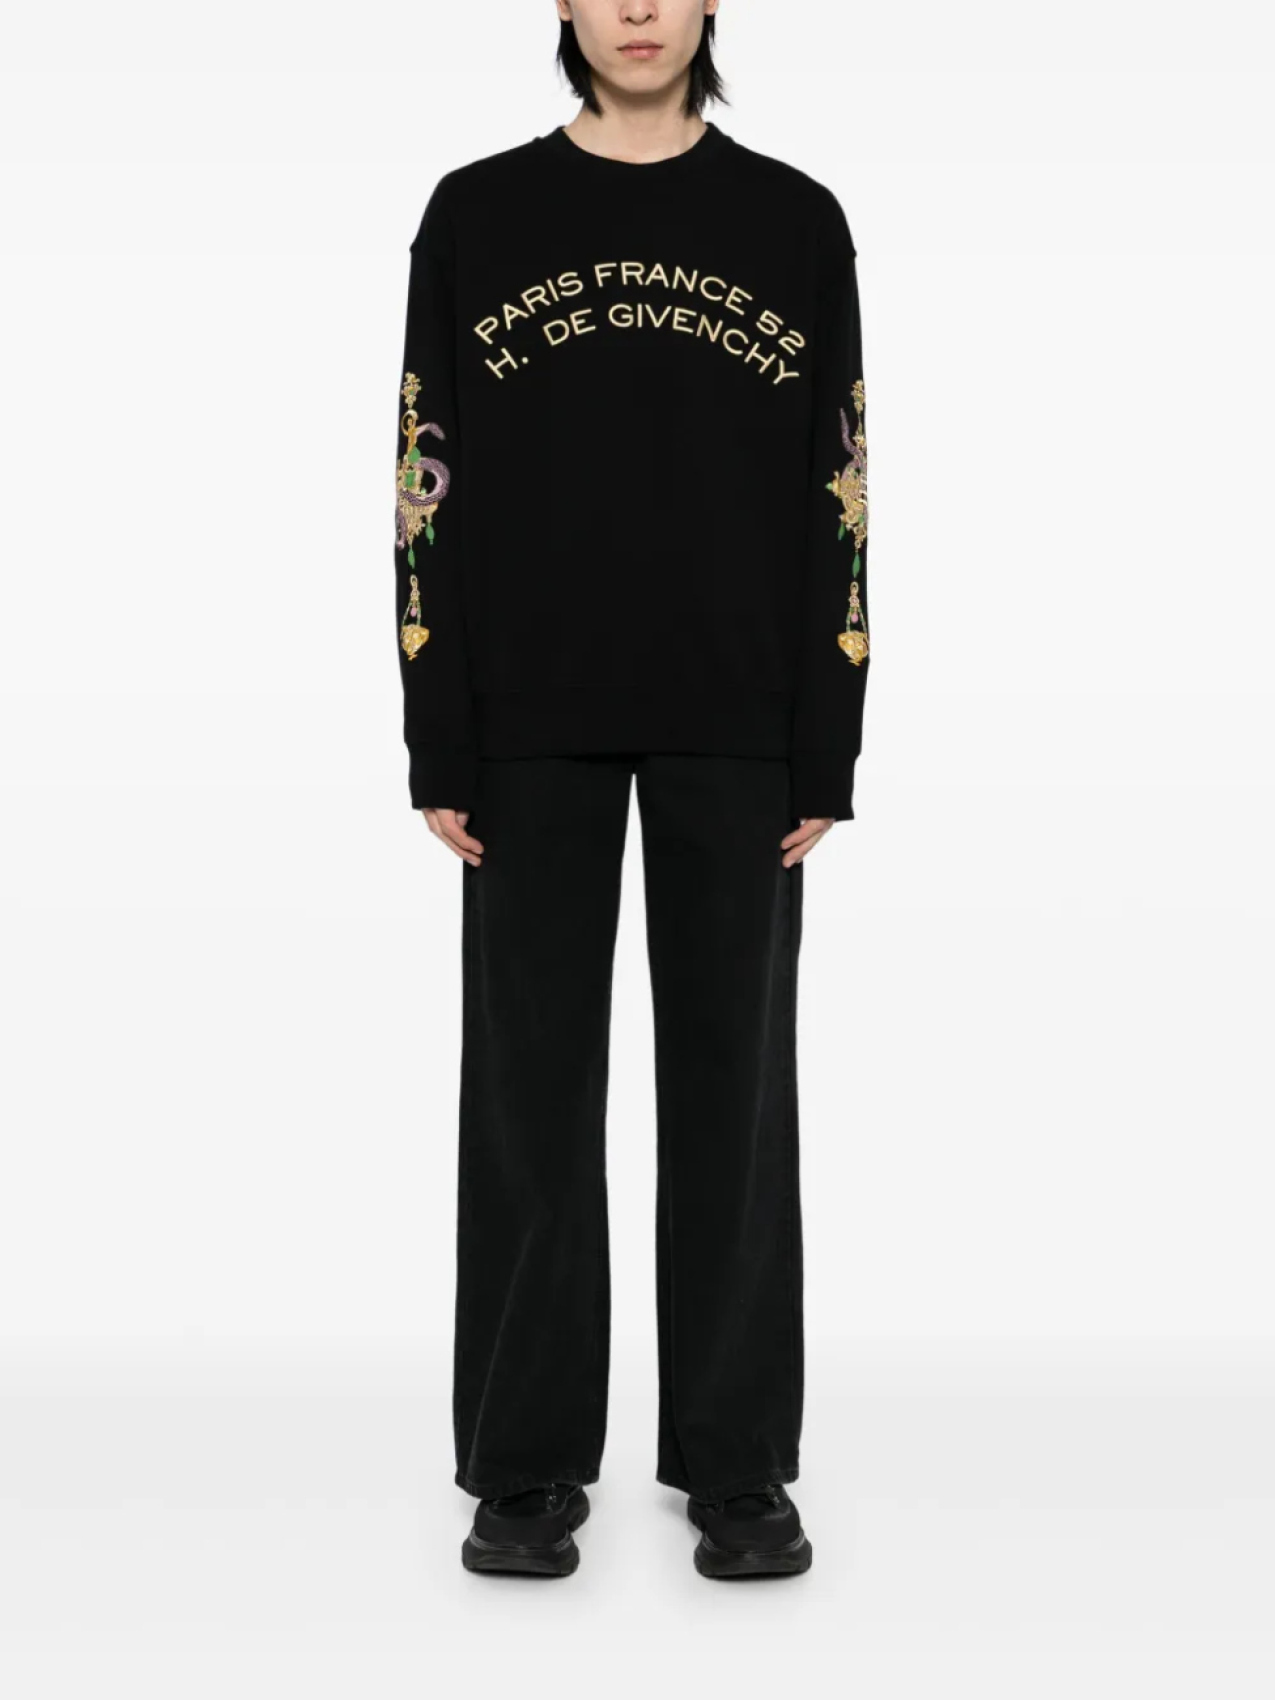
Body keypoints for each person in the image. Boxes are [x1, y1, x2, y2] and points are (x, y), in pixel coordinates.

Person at [393, 0, 869, 1580]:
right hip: (527, 720)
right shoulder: (478, 214)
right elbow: (425, 472)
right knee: (529, 1099)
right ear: (564, 5)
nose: (641, 9)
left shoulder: (793, 220)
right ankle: (524, 1465)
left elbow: (842, 479)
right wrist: (439, 727)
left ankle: (738, 1465)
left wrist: (829, 733)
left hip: (741, 720)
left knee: (735, 1100)